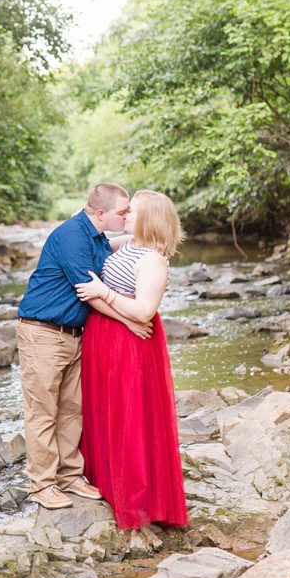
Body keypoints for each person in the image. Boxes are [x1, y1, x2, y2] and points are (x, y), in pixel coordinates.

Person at [16, 183, 154, 510]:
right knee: (43, 412)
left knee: (72, 409)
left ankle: (69, 476)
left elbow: (119, 247)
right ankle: (42, 485)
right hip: (44, 333)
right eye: (123, 212)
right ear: (101, 213)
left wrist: (148, 241)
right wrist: (130, 321)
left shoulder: (96, 236)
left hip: (75, 334)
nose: (126, 216)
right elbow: (89, 291)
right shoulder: (72, 237)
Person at [73, 189, 188, 529]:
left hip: (130, 343)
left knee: (129, 414)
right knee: (103, 410)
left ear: (149, 218)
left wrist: (103, 292)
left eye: (131, 211)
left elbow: (144, 310)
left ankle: (137, 499)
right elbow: (91, 242)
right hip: (104, 337)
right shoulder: (129, 244)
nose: (125, 215)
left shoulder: (154, 259)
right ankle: (105, 482)